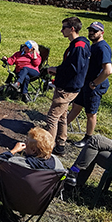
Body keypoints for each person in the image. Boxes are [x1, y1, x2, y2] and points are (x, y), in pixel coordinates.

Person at [0, 127, 64, 201]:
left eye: (26, 142)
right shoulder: (57, 164)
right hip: (37, 203)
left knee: (2, 171)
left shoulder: (20, 164)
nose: (24, 143)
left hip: (14, 200)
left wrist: (13, 151)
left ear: (33, 150)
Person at [45, 17, 90, 155]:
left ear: (72, 29)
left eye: (64, 27)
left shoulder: (79, 46)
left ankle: (47, 148)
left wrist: (55, 69)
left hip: (68, 88)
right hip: (69, 86)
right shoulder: (79, 44)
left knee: (52, 117)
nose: (61, 30)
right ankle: (61, 143)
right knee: (63, 115)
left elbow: (73, 69)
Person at [68, 22, 112, 148]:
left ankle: (88, 139)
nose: (91, 33)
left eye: (95, 31)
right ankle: (60, 128)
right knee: (76, 107)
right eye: (90, 30)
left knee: (91, 113)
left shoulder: (102, 48)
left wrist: (94, 84)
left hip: (95, 86)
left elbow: (108, 70)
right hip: (86, 83)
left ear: (102, 33)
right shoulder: (94, 45)